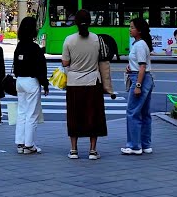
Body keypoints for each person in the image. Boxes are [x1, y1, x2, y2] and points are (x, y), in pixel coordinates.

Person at [62, 9, 116, 160]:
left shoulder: (69, 40)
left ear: (75, 22)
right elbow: (104, 61)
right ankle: (93, 150)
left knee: (74, 116)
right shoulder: (97, 39)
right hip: (93, 83)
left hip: (74, 83)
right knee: (94, 116)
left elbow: (65, 62)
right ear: (90, 22)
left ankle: (74, 150)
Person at [13, 16, 48, 154]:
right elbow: (40, 69)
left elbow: (15, 66)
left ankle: (20, 143)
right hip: (31, 82)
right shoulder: (35, 48)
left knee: (21, 112)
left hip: (19, 81)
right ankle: (29, 145)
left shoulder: (19, 46)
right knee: (32, 114)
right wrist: (45, 84)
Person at [121, 17, 155, 156]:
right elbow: (140, 64)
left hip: (140, 78)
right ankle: (145, 145)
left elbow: (142, 67)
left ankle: (134, 146)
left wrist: (138, 85)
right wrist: (131, 67)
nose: (130, 29)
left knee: (132, 112)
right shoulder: (141, 43)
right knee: (144, 113)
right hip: (145, 78)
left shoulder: (140, 45)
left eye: (132, 27)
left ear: (139, 30)